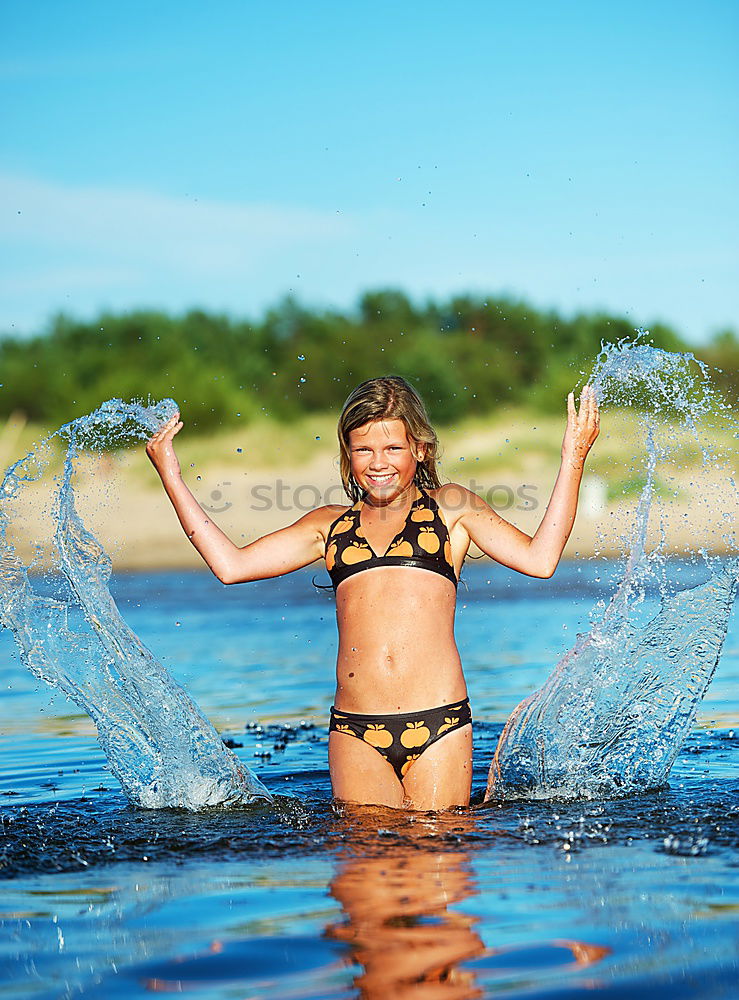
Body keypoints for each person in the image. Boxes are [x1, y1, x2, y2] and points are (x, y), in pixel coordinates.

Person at [146, 376, 599, 811]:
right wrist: (170, 474)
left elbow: (541, 560)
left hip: (440, 723)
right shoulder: (329, 525)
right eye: (363, 449)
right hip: (355, 731)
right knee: (363, 872)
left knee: (436, 860)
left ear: (419, 449)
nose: (378, 462)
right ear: (347, 454)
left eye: (392, 448)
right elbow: (231, 566)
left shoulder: (452, 508)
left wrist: (573, 456)